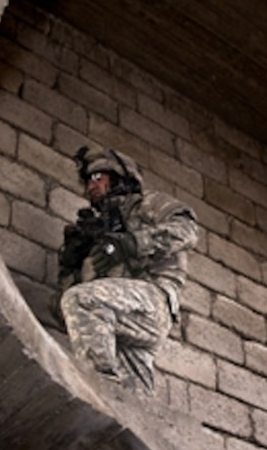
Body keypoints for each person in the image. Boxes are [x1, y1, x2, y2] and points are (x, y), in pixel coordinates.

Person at [55, 145, 198, 392]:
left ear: (119, 179)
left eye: (98, 178)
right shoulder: (97, 231)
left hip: (154, 301)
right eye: (88, 181)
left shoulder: (146, 205)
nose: (91, 186)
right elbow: (69, 308)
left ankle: (99, 390)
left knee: (80, 300)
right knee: (134, 397)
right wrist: (72, 262)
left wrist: (132, 243)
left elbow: (187, 231)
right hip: (121, 320)